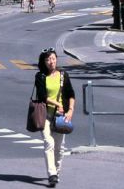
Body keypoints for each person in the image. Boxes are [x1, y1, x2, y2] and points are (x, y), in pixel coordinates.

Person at [35, 48, 75, 187]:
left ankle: (56, 173)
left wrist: (70, 110)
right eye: (47, 59)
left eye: (52, 58)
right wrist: (57, 103)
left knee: (59, 148)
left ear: (56, 59)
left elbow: (71, 94)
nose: (51, 62)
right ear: (44, 62)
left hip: (60, 116)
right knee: (49, 143)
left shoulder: (63, 75)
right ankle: (51, 174)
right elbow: (42, 97)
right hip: (45, 114)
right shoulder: (40, 76)